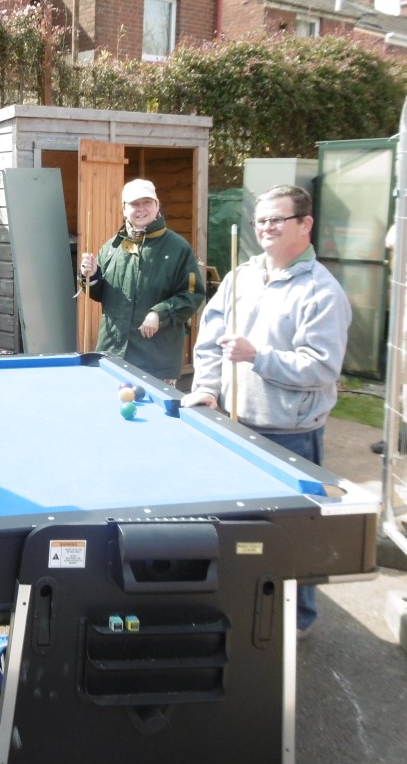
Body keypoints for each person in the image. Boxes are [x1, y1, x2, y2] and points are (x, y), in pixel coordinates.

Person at [181, 184, 352, 637]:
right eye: (261, 220)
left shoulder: (322, 291)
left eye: (277, 219)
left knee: (292, 538)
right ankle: (242, 610)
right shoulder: (241, 277)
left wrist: (258, 357)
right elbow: (210, 342)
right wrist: (207, 389)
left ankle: (296, 623)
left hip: (289, 434)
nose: (266, 228)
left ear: (305, 224)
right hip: (234, 425)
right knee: (240, 536)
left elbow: (322, 368)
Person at [78, 178, 205, 384]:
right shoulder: (111, 248)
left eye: (147, 202)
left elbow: (192, 295)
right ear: (124, 209)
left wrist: (159, 314)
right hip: (112, 355)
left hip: (157, 362)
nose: (141, 209)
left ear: (157, 205)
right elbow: (101, 294)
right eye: (134, 204)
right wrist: (90, 276)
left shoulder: (178, 249)